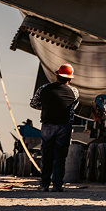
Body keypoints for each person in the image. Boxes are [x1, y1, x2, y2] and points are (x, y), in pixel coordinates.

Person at [29, 64, 80, 192]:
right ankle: (57, 185)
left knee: (47, 155)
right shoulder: (74, 91)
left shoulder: (43, 88)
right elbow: (73, 107)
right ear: (70, 79)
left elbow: (33, 104)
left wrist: (46, 107)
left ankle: (44, 184)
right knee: (60, 156)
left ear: (57, 75)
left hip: (47, 125)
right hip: (64, 125)